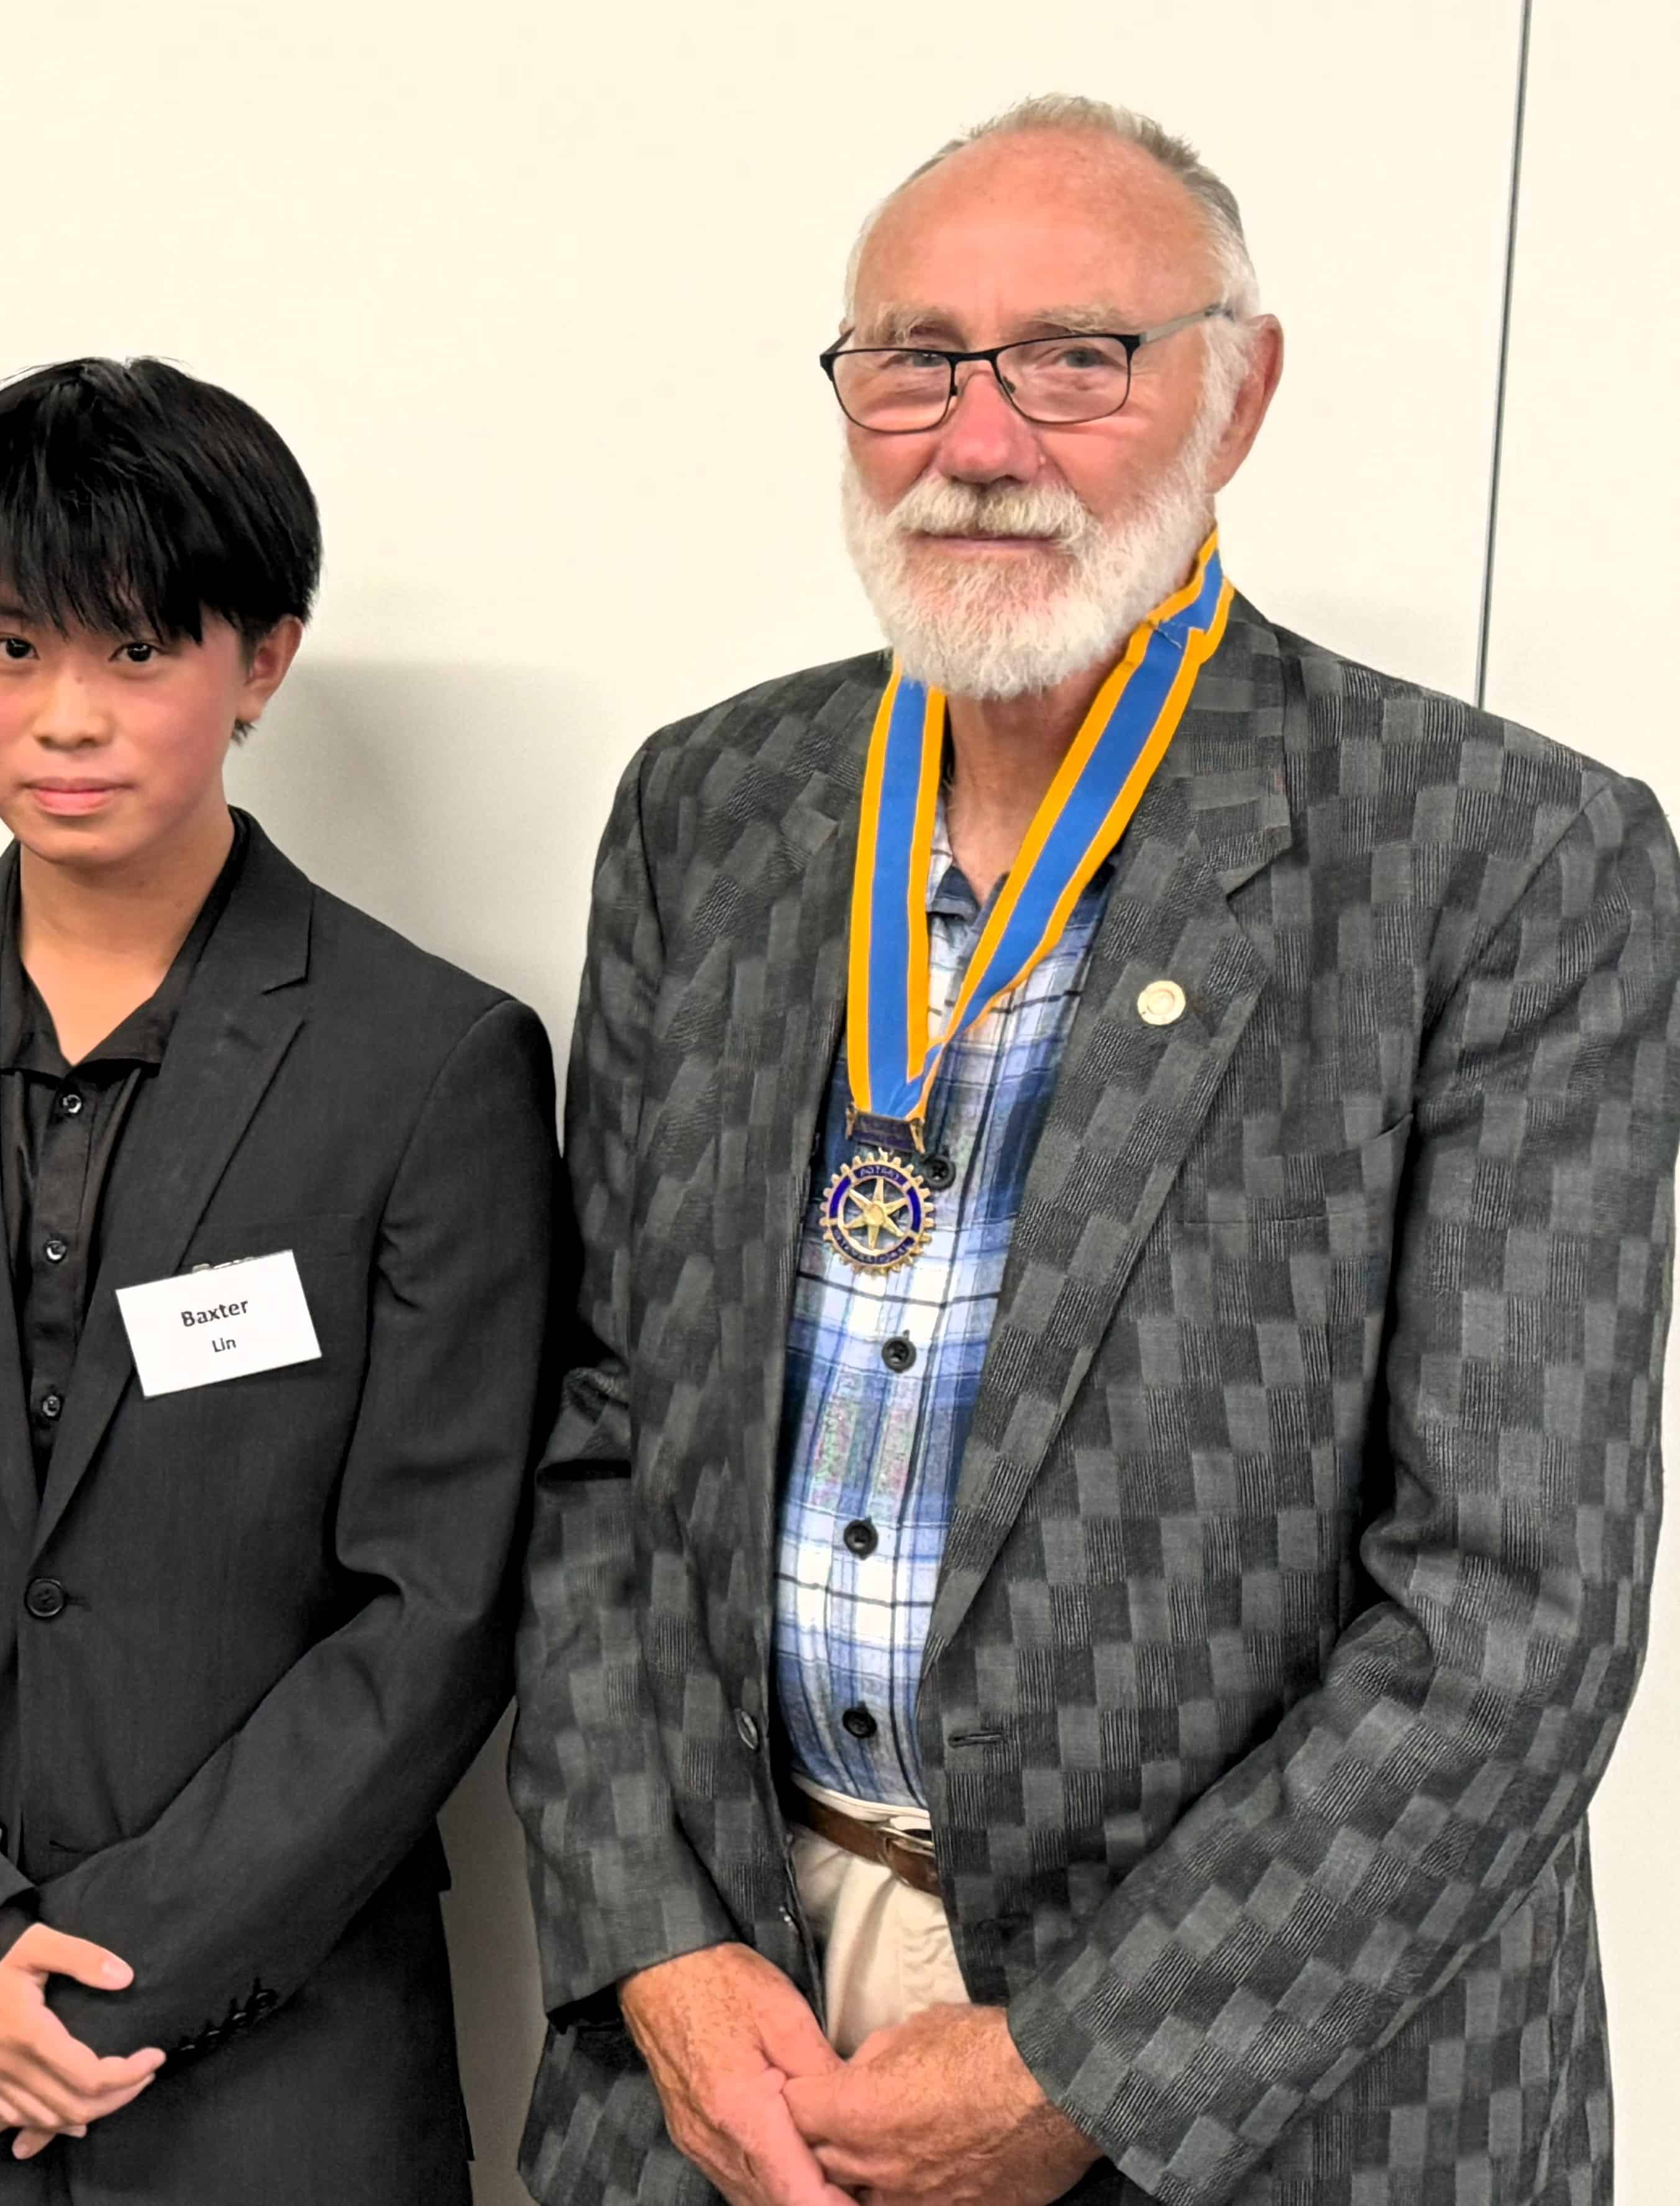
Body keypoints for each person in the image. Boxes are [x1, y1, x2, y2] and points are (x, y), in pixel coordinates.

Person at [511, 94, 1676, 2206]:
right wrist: (653, 1940)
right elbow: (601, 1433)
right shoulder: (714, 811)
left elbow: (1513, 1614)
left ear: (1241, 394)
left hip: (1266, 2082)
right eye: (915, 359)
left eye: (1077, 358)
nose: (981, 437)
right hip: (746, 2022)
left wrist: (1089, 2066)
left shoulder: (1506, 860)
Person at [0, 356, 560, 2205]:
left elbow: (439, 1604)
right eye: (11, 649)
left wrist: (108, 1980)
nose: (67, 719)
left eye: (140, 652)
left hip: (268, 2079)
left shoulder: (432, 1060)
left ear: (263, 663)